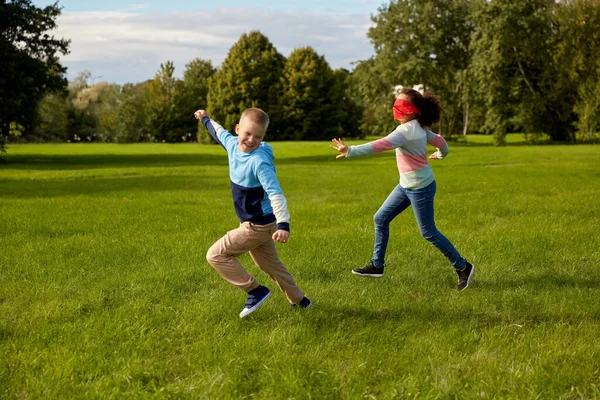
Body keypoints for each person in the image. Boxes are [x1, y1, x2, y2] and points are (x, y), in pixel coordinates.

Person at [330, 88, 475, 290]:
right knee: (380, 218)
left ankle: (463, 267)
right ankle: (377, 265)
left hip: (420, 188)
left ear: (413, 111)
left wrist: (350, 151)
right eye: (396, 104)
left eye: (401, 105)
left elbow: (380, 145)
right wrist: (441, 154)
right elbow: (441, 142)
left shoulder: (406, 131)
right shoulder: (419, 128)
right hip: (406, 186)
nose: (396, 108)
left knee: (428, 232)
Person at [195, 107, 312, 317]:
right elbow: (218, 131)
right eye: (247, 133)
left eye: (258, 136)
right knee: (270, 265)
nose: (251, 140)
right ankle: (301, 302)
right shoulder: (232, 144)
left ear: (263, 137)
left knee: (216, 254)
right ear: (238, 129)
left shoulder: (260, 162)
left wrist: (284, 224)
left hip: (256, 225)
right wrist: (205, 118)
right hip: (263, 225)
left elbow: (275, 193)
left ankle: (255, 291)